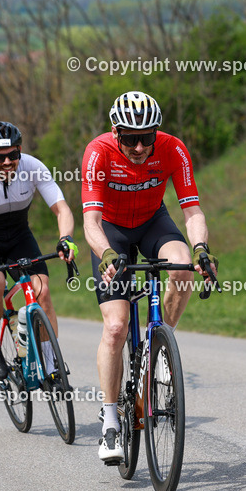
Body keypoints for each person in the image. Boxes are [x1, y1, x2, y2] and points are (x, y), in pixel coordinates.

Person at [81, 91, 218, 463]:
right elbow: (90, 221)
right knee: (116, 327)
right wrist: (107, 253)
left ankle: (160, 348)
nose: (140, 146)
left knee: (183, 267)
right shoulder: (98, 152)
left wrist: (202, 248)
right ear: (115, 132)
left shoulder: (172, 149)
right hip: (111, 232)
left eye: (147, 137)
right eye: (130, 138)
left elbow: (191, 211)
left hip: (152, 223)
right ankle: (110, 419)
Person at [0, 121, 77, 383]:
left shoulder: (33, 167)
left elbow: (62, 209)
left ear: (20, 151)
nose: (7, 162)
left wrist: (66, 239)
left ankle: (50, 365)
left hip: (18, 237)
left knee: (42, 291)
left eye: (13, 155)